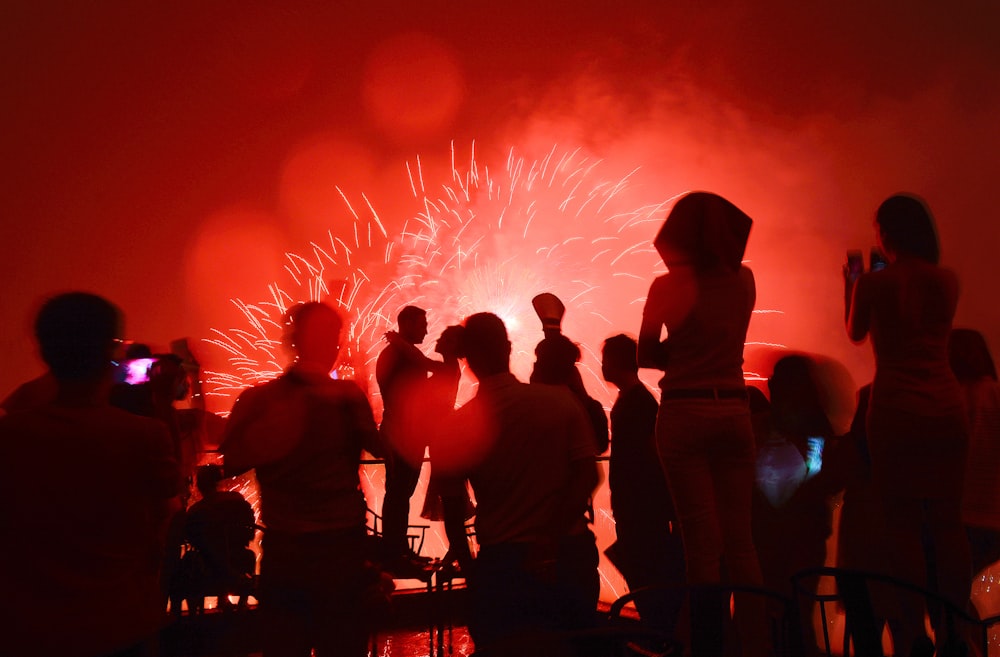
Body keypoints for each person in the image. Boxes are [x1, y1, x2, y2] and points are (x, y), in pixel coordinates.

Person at [0, 292, 181, 657]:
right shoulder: (144, 435)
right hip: (119, 626)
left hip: (29, 631)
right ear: (109, 354)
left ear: (44, 350)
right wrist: (162, 404)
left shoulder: (10, 437)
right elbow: (169, 514)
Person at [638, 191, 766, 656]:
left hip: (685, 410)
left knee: (700, 546)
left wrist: (684, 352)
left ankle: (709, 648)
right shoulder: (745, 280)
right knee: (742, 541)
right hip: (734, 408)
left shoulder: (665, 287)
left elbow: (645, 354)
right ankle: (758, 644)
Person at [845, 193, 971, 656]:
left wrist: (853, 283)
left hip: (896, 408)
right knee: (946, 521)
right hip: (946, 406)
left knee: (900, 524)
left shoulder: (873, 286)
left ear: (886, 233)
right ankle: (955, 629)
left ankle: (913, 631)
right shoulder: (946, 281)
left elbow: (856, 332)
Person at [221, 301, 383, 657]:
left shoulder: (261, 399)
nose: (337, 346)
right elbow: (385, 448)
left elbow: (230, 461)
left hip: (286, 550)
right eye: (333, 338)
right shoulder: (347, 399)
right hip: (339, 552)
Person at [435, 312, 601, 656]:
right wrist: (549, 537)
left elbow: (452, 510)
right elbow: (588, 475)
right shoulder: (559, 402)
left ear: (467, 359)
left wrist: (472, 573)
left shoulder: (455, 426)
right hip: (568, 557)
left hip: (502, 567)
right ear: (509, 348)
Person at [601, 333, 685, 653]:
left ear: (617, 361)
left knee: (647, 577)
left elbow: (648, 459)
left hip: (640, 509)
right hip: (639, 508)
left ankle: (658, 638)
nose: (603, 365)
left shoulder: (636, 403)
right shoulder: (638, 400)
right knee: (647, 575)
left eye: (606, 358)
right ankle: (658, 635)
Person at [376, 305, 435, 573]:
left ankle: (397, 551)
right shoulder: (403, 356)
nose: (426, 328)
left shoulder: (396, 354)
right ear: (407, 323)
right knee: (399, 493)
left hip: (402, 432)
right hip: (403, 434)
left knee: (400, 493)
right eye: (422, 323)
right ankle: (395, 553)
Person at [948, 328, 1000, 578]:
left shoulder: (949, 398)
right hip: (996, 516)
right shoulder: (997, 395)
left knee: (949, 594)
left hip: (958, 516)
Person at [179, 464, 257, 612]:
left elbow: (189, 537)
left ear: (199, 485)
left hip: (205, 564)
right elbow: (249, 529)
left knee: (191, 560)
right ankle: (239, 603)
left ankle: (195, 617)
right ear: (219, 482)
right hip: (238, 558)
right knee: (248, 556)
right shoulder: (236, 500)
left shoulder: (196, 510)